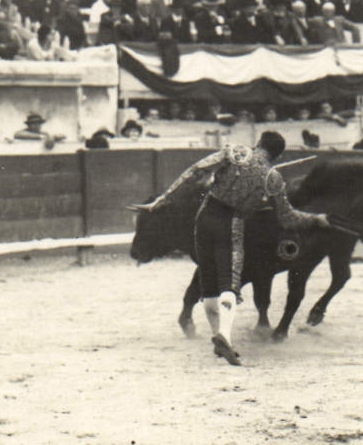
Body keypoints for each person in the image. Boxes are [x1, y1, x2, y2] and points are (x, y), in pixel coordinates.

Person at [138, 130, 332, 365]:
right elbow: (288, 218)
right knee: (229, 285)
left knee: (207, 283)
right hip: (231, 224)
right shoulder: (273, 178)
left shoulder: (235, 152)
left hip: (205, 218)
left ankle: (216, 333)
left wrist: (165, 197)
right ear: (278, 156)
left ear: (258, 143)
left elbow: (195, 171)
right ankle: (224, 337)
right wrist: (315, 219)